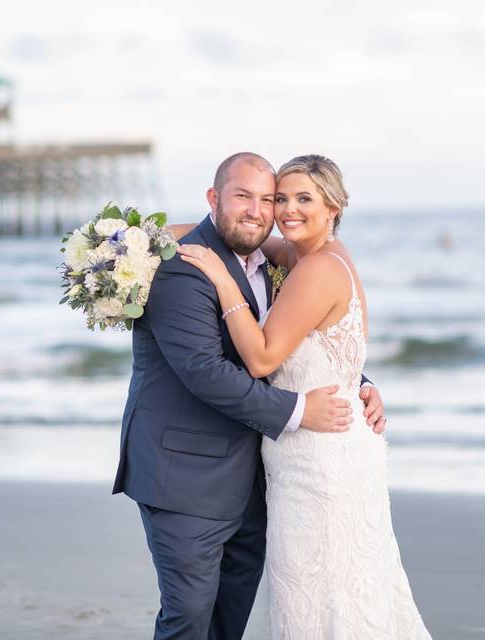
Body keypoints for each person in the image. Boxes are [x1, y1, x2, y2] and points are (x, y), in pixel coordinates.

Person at [112, 151, 388, 639]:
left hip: (263, 477)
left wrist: (355, 383)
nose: (266, 210)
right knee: (190, 616)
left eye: (271, 198)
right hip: (187, 475)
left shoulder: (283, 259)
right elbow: (205, 371)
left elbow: (309, 340)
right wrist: (301, 409)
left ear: (333, 209)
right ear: (214, 199)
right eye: (249, 197)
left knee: (231, 616)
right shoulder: (182, 271)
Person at [178, 154, 432, 638]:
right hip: (324, 445)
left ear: (333, 206)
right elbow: (229, 231)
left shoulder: (316, 268)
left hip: (320, 459)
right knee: (339, 586)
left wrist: (219, 278)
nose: (287, 210)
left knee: (323, 591)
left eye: (303, 199)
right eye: (280, 199)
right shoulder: (302, 254)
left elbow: (262, 358)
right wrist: (145, 238)